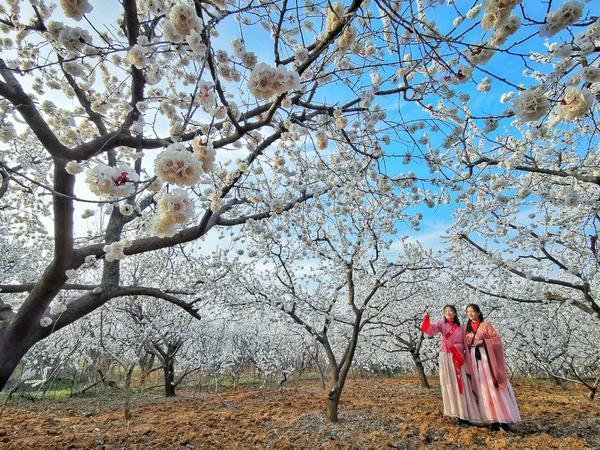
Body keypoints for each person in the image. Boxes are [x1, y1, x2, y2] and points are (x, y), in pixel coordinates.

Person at [463, 303, 521, 431]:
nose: (470, 314)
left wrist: (483, 342)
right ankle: (491, 419)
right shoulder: (465, 329)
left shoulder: (486, 325)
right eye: (468, 312)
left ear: (478, 312)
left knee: (492, 386)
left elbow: (496, 340)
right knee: (482, 387)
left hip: (486, 359)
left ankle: (503, 418)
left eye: (473, 311)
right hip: (474, 360)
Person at [421, 305, 481, 426]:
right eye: (446, 311)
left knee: (463, 384)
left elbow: (470, 340)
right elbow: (429, 330)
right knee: (451, 384)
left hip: (459, 357)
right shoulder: (441, 325)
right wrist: (426, 318)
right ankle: (458, 414)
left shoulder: (462, 328)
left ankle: (467, 413)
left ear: (455, 313)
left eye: (450, 311)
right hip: (447, 356)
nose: (448, 313)